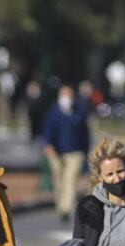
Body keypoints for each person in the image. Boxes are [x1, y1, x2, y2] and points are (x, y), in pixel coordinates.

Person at [42, 85, 91, 222]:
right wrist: (48, 145)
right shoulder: (53, 113)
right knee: (58, 179)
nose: (67, 99)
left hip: (75, 152)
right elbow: (47, 132)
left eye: (69, 96)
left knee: (70, 179)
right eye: (64, 96)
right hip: (56, 152)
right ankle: (60, 204)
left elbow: (85, 134)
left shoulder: (79, 113)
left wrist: (85, 151)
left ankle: (66, 208)